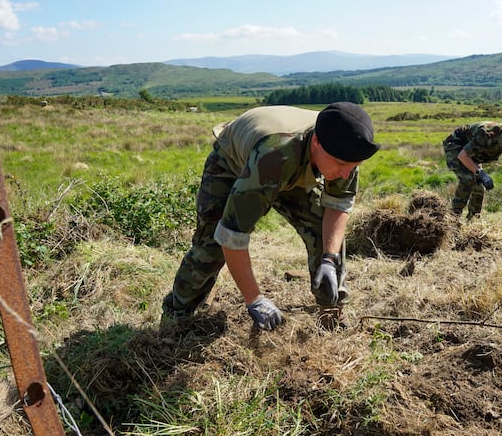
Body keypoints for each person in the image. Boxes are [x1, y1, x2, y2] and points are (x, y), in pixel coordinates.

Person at [162, 102, 379, 331]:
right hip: (236, 163)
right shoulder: (274, 155)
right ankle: (176, 318)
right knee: (210, 247)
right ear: (317, 142)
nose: (346, 173)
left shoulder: (345, 148)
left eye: (353, 166)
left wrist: (328, 258)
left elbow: (337, 206)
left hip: (295, 164)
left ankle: (331, 314)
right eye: (342, 165)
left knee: (322, 231)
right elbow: (232, 235)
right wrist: (254, 300)